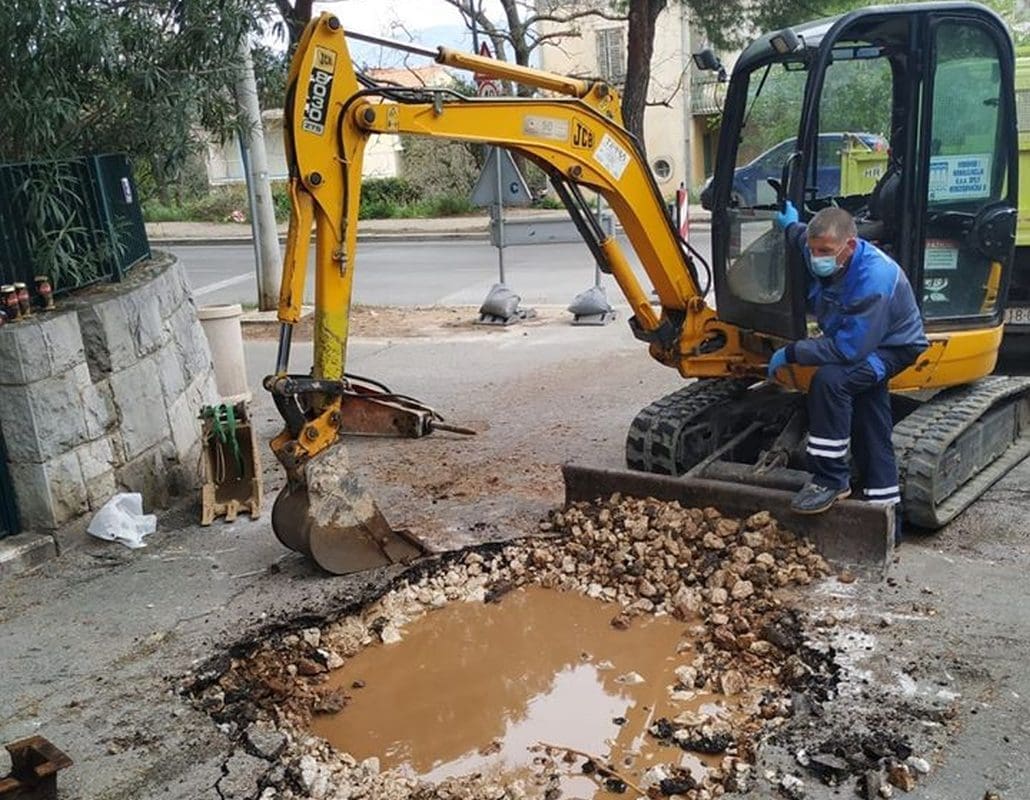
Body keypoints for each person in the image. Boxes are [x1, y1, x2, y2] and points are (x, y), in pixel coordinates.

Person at [769, 202, 928, 514]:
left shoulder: (875, 280)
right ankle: (885, 513)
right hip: (863, 339)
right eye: (814, 250)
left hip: (891, 348)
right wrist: (790, 226)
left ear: (851, 245)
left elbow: (848, 350)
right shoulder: (823, 248)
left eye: (824, 251)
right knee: (871, 418)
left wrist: (791, 352)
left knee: (831, 382)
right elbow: (802, 236)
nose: (817, 259)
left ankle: (831, 479)